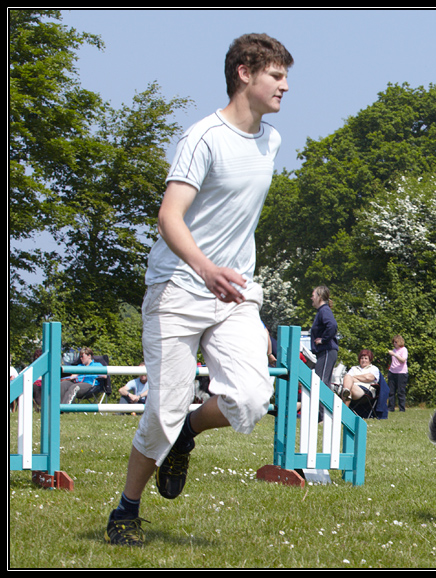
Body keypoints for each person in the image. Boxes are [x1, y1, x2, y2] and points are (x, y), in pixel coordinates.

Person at [105, 33, 294, 547]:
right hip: (178, 287)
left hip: (233, 292)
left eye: (284, 77)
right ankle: (126, 509)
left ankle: (188, 433)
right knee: (161, 412)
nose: (284, 86)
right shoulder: (203, 138)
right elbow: (170, 215)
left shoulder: (271, 140)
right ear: (244, 74)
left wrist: (226, 274)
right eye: (276, 76)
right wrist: (206, 267)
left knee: (252, 399)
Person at [310, 285, 338, 389]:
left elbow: (332, 325)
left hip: (327, 350)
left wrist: (323, 340)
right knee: (323, 382)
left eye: (313, 295)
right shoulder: (322, 311)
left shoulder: (324, 310)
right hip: (325, 352)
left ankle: (321, 406)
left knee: (321, 383)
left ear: (319, 297)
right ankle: (323, 406)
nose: (311, 298)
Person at [387, 335, 408, 412]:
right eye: (394, 342)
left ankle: (402, 409)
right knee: (391, 391)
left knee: (400, 392)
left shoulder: (404, 350)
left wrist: (395, 355)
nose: (394, 343)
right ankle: (390, 408)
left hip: (401, 373)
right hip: (392, 372)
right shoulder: (394, 350)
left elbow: (403, 360)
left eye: (396, 342)